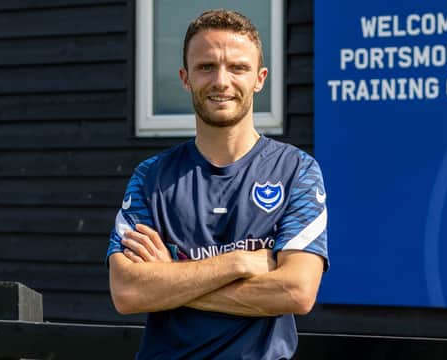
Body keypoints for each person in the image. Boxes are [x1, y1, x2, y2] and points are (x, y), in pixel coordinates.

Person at [106, 9, 328, 359]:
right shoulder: (150, 178)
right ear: (185, 77)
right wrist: (238, 263)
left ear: (260, 78)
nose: (221, 81)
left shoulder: (296, 170)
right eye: (206, 66)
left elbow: (297, 291)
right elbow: (127, 292)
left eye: (237, 67)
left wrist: (169, 279)